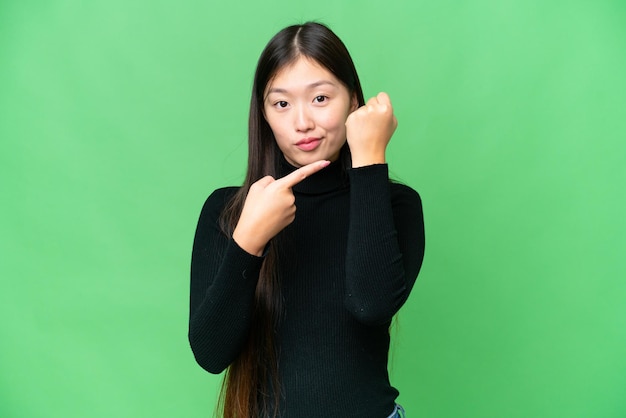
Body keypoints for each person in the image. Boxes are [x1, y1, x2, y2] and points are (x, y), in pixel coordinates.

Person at [189, 22, 425, 418]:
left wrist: (369, 159)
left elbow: (370, 303)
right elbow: (211, 354)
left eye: (319, 98)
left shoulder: (395, 204)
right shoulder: (228, 210)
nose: (302, 123)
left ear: (353, 101)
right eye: (281, 104)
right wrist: (249, 241)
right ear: (263, 114)